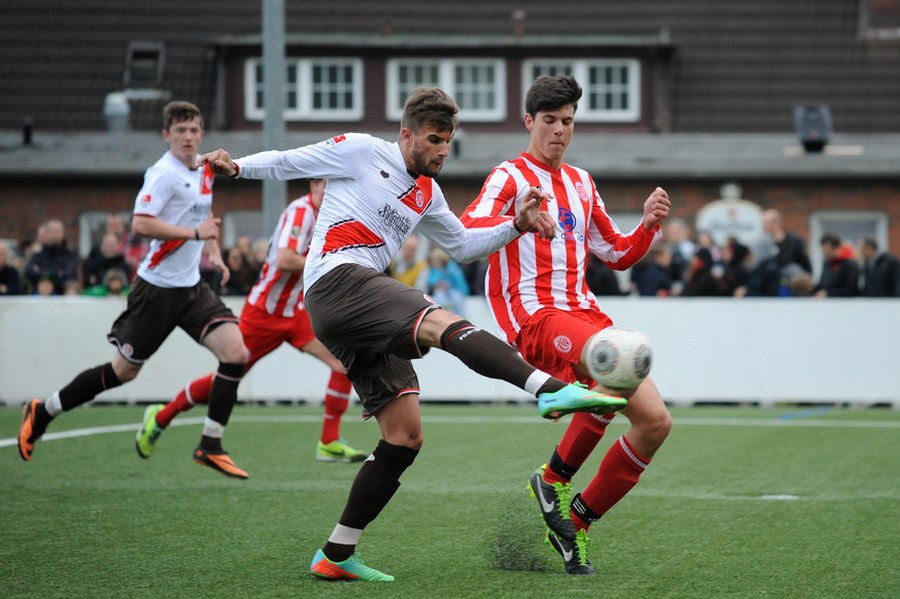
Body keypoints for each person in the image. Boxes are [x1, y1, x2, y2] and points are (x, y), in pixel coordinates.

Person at [200, 86, 627, 582]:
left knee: (404, 438)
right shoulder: (363, 151)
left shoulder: (428, 191)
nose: (443, 150)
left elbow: (465, 245)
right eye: (434, 140)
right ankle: (547, 391)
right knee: (442, 322)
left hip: (359, 306)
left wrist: (517, 224)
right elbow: (289, 161)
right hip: (337, 280)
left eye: (448, 141)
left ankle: (336, 554)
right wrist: (237, 168)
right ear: (406, 135)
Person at [460, 75, 672, 575]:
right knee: (612, 367)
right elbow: (465, 230)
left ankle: (577, 522)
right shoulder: (509, 177)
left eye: (568, 121)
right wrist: (518, 220)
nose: (560, 130)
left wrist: (646, 225)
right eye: (550, 121)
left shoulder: (580, 182)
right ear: (529, 121)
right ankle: (553, 480)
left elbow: (616, 254)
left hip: (585, 316)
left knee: (656, 423)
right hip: (534, 316)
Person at [18, 101, 251, 481]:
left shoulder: (204, 170)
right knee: (123, 372)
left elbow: (203, 219)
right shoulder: (162, 174)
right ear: (166, 136)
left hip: (191, 290)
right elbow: (141, 224)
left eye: (194, 130)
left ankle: (210, 445)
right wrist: (196, 235)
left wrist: (213, 253)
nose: (188, 137)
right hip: (155, 291)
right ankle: (43, 412)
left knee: (236, 352)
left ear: (202, 133)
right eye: (180, 132)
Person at [134, 178, 368, 464]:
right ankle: (161, 416)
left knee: (344, 363)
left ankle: (329, 442)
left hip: (295, 312)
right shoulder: (301, 212)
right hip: (264, 314)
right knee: (226, 378)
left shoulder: (328, 215)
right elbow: (284, 259)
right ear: (314, 184)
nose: (334, 191)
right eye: (328, 185)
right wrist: (330, 261)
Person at [23, 219, 79, 295]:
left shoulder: (69, 254)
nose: (55, 235)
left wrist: (41, 273)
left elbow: (69, 275)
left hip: (62, 296)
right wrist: (57, 274)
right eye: (52, 231)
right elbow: (29, 271)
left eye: (57, 231)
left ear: (62, 233)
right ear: (47, 233)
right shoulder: (38, 254)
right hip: (40, 295)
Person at [425, 246, 469, 315]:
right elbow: (431, 281)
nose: (434, 264)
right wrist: (438, 283)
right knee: (440, 296)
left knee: (457, 298)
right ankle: (444, 315)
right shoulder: (436, 270)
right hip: (441, 292)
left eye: (435, 262)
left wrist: (464, 293)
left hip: (454, 290)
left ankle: (461, 317)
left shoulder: (453, 268)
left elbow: (460, 283)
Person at [814, 232, 860, 298]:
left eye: (827, 250)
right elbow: (823, 283)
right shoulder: (827, 262)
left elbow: (851, 290)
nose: (825, 253)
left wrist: (828, 294)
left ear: (836, 248)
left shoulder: (850, 265)